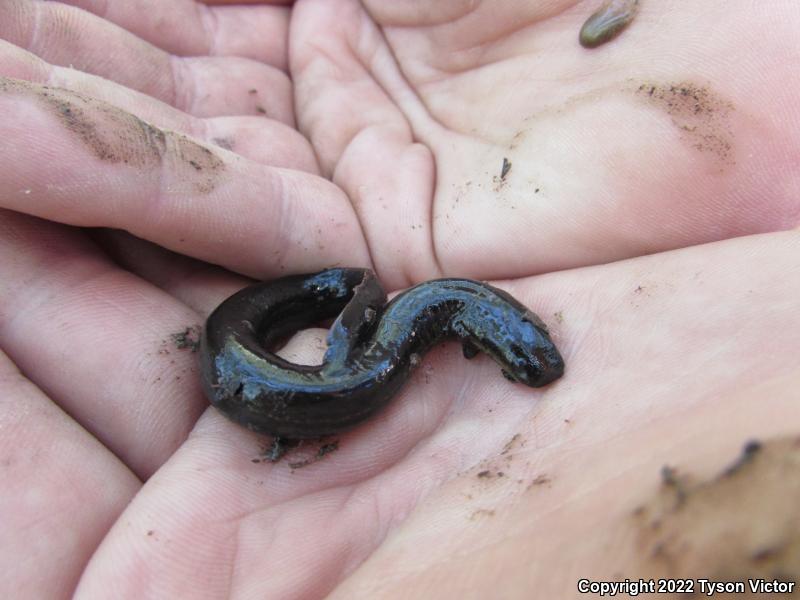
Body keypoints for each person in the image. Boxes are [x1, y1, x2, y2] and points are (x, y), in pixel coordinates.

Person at [1, 1, 798, 597]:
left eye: (521, 353)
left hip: (279, 365)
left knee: (341, 332)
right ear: (482, 337)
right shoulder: (421, 324)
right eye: (516, 354)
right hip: (249, 366)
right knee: (319, 331)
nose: (522, 360)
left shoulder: (428, 322)